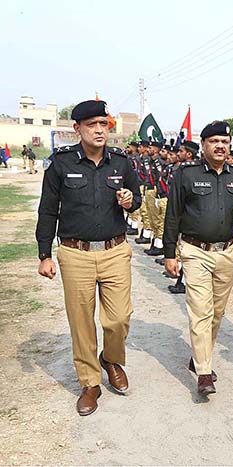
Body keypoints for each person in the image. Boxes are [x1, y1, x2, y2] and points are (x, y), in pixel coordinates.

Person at [35, 100, 142, 416]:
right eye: (92, 124)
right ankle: (90, 382)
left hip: (115, 251)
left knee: (119, 317)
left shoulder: (121, 164)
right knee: (81, 322)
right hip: (75, 253)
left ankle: (111, 359)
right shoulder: (61, 164)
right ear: (77, 129)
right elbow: (48, 210)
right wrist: (44, 254)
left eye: (104, 124)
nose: (99, 130)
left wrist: (129, 200)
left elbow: (135, 199)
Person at [163, 121, 233, 396]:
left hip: (227, 252)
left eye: (225, 142)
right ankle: (204, 372)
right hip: (195, 251)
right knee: (200, 310)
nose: (221, 146)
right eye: (214, 141)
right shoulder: (185, 175)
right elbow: (173, 214)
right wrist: (169, 253)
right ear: (203, 145)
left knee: (217, 312)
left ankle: (200, 354)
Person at [168, 139, 200, 295]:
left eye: (180, 151)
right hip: (179, 213)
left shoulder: (192, 171)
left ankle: (184, 282)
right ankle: (181, 279)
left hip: (188, 217)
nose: (177, 153)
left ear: (189, 154)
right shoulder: (181, 169)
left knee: (185, 252)